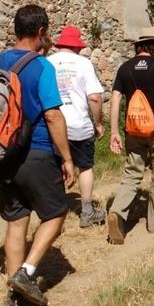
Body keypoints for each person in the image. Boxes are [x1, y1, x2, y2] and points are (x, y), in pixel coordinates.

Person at [0, 5, 76, 306]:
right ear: (41, 33)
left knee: (17, 222)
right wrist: (67, 159)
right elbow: (54, 116)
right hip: (37, 152)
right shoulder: (42, 66)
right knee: (56, 214)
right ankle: (27, 274)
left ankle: (13, 296)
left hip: (0, 154)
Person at [107, 27, 154, 244]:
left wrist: (115, 132)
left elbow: (116, 99)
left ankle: (117, 213)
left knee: (132, 174)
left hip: (133, 129)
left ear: (138, 46)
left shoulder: (124, 68)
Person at [47, 26, 106, 228]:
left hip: (53, 124)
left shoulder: (47, 62)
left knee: (54, 167)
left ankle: (53, 217)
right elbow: (95, 98)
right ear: (76, 46)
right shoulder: (83, 63)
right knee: (85, 166)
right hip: (79, 125)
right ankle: (87, 212)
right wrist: (98, 123)